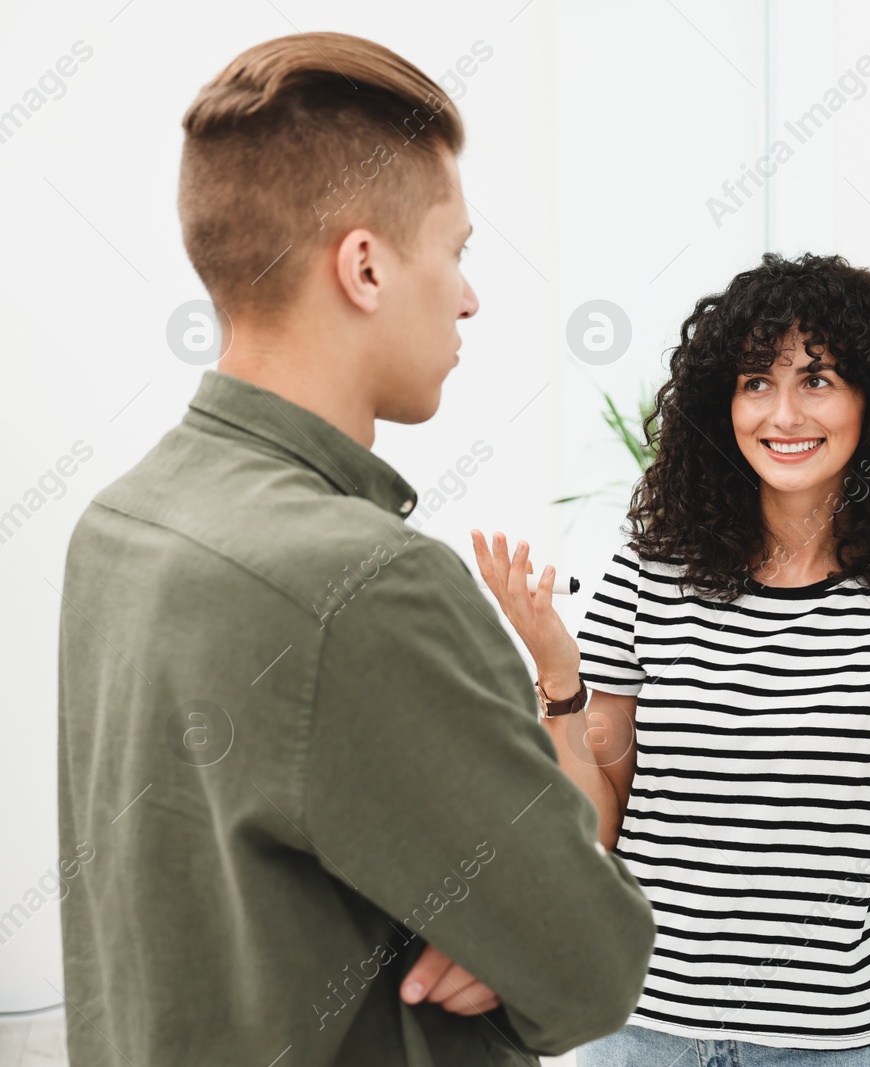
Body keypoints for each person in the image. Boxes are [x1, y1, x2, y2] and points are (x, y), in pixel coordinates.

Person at [56, 32, 653, 1066]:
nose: (470, 296)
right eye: (457, 249)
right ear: (366, 265)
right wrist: (496, 923)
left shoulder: (118, 522)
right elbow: (592, 962)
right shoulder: (367, 583)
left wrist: (487, 916)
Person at [471, 252, 870, 1064]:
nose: (783, 413)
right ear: (722, 401)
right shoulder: (650, 572)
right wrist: (561, 678)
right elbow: (592, 825)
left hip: (827, 1044)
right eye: (755, 383)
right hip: (643, 1032)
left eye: (818, 380)